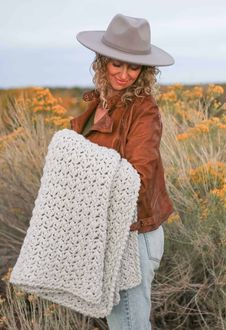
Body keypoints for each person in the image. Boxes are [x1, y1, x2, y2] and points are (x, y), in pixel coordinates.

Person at [70, 13, 175, 330]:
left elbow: (137, 176)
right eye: (117, 63)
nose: (124, 74)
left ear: (145, 69)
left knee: (129, 324)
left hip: (134, 233)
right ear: (102, 60)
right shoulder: (100, 101)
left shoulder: (143, 110)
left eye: (134, 66)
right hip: (109, 227)